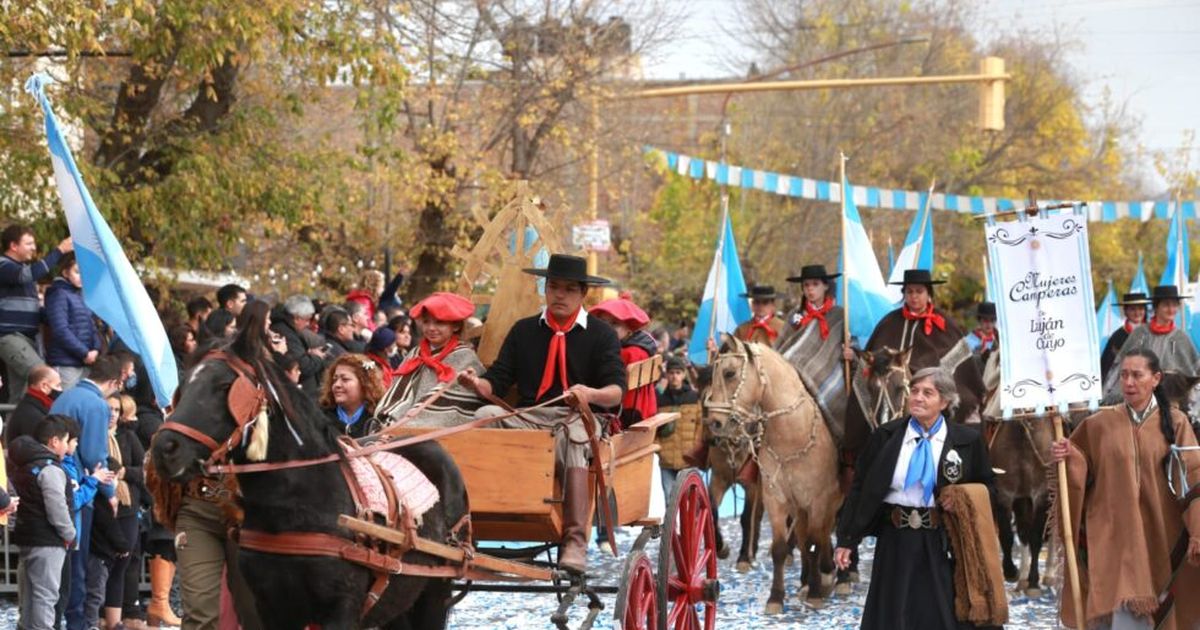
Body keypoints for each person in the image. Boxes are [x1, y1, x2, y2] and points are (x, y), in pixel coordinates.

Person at [458, 254, 626, 575]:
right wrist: (477, 383)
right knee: (483, 415)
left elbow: (617, 390)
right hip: (529, 415)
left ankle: (575, 540)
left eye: (568, 289)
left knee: (573, 437)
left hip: (581, 417)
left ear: (582, 294)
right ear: (545, 289)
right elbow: (499, 380)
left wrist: (590, 395)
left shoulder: (602, 334)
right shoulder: (523, 331)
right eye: (553, 287)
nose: (559, 295)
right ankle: (472, 518)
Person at [834, 367, 995, 630]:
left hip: (942, 541)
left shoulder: (967, 441)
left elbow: (989, 488)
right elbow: (861, 488)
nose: (918, 398)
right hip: (895, 540)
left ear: (944, 402)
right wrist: (846, 539)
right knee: (894, 616)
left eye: (927, 393)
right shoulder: (885, 436)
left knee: (939, 614)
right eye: (915, 391)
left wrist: (963, 500)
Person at [1051, 348, 1200, 630]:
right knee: (1122, 615)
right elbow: (1080, 465)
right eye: (1124, 375)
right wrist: (1068, 456)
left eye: (1137, 375)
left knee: (1167, 609)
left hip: (1163, 532)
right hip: (1114, 534)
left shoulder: (1177, 422)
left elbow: (1193, 475)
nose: (1129, 382)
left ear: (1156, 378)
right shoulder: (1098, 424)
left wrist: (1198, 530)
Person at [846, 269, 986, 454]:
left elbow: (960, 366)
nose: (914, 297)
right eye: (909, 292)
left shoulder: (945, 323)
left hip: (932, 390)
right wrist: (856, 358)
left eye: (919, 291)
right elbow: (872, 359)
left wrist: (921, 377)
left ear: (929, 294)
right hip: (889, 394)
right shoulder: (889, 322)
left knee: (963, 401)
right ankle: (861, 455)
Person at [50, 355, 124, 630]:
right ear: (115, 381)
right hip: (81, 491)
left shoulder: (64, 397)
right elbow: (95, 455)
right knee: (78, 566)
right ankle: (77, 623)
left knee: (61, 568)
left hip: (57, 484)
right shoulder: (96, 404)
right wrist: (110, 491)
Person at [376, 292, 484, 427]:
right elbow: (400, 391)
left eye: (439, 322)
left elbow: (458, 400)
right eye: (426, 322)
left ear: (455, 326)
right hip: (403, 420)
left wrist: (416, 420)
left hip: (440, 424)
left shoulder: (465, 356)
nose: (431, 328)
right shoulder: (415, 353)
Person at [11, 415, 77, 630]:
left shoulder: (23, 466)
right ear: (54, 441)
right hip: (48, 541)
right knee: (45, 596)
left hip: (26, 536)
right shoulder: (51, 469)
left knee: (28, 597)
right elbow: (56, 506)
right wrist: (70, 533)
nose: (68, 446)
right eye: (66, 440)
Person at [0, 224, 72, 402]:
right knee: (43, 375)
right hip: (10, 337)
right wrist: (59, 250)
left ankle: (15, 428)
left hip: (27, 338)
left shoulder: (23, 273)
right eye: (29, 243)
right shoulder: (4, 266)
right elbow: (28, 275)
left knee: (22, 392)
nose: (34, 247)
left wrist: (55, 315)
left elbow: (31, 308)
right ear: (13, 246)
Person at [1102, 285, 1200, 404]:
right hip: (1139, 403)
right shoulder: (1139, 334)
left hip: (1173, 405)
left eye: (1174, 305)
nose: (1171, 309)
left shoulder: (1181, 337)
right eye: (1166, 305)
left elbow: (1194, 371)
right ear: (1156, 307)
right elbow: (1119, 368)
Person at [589, 296, 658, 429]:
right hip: (642, 412)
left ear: (629, 329)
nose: (607, 328)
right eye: (603, 322)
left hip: (623, 416)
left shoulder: (629, 353)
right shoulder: (640, 348)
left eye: (615, 324)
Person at [110, 395, 147, 629]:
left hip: (128, 505)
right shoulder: (93, 436)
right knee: (105, 563)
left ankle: (130, 611)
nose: (113, 413)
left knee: (129, 559)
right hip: (103, 506)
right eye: (109, 408)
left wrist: (123, 473)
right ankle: (105, 613)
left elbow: (143, 469)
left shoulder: (128, 436)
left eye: (116, 409)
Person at [84, 455, 131, 630]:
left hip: (95, 552)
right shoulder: (101, 501)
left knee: (93, 592)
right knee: (95, 594)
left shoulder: (94, 498)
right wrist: (123, 546)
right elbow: (110, 526)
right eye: (115, 478)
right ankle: (90, 625)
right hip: (99, 554)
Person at [44, 252, 102, 390]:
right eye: (77, 272)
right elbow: (60, 329)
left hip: (84, 362)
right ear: (65, 272)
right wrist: (84, 353)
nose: (82, 276)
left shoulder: (80, 295)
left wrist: (96, 349)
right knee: (65, 405)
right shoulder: (58, 294)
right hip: (65, 362)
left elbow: (91, 326)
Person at [655, 356, 699, 493]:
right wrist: (659, 450)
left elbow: (700, 426)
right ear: (667, 374)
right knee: (670, 503)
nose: (674, 376)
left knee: (691, 502)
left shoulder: (694, 398)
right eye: (671, 373)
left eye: (678, 373)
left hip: (689, 460)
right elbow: (654, 429)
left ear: (684, 374)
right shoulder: (659, 400)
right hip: (666, 461)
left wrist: (695, 449)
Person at [319, 353, 386, 439]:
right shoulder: (321, 416)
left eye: (345, 379)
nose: (337, 385)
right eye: (334, 380)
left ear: (365, 383)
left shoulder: (380, 416)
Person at [271, 295, 328, 395]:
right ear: (296, 318)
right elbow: (303, 365)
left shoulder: (288, 330)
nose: (308, 324)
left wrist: (309, 354)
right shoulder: (286, 333)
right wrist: (317, 357)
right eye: (307, 320)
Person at [3, 364, 62, 446]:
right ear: (44, 386)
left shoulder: (33, 406)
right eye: (58, 385)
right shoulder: (32, 414)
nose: (61, 389)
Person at [1100, 291, 1151, 381]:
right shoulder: (1117, 337)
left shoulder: (1152, 333)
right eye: (1132, 309)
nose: (1137, 313)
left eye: (1140, 309)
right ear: (1125, 311)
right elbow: (1106, 367)